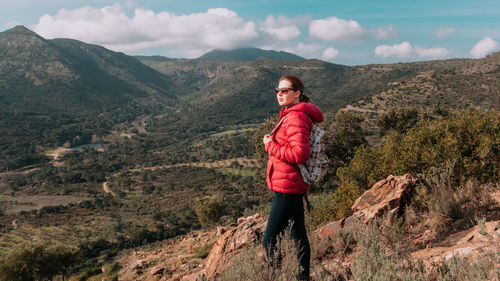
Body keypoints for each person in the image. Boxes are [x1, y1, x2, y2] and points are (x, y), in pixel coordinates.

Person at [262, 74, 324, 281]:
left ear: (297, 93)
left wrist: (270, 145)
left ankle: (276, 277)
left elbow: (300, 155)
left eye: (285, 90)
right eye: (277, 91)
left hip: (288, 187)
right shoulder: (290, 113)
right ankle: (303, 277)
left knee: (269, 239)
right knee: (298, 234)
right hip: (293, 184)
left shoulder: (296, 116)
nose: (280, 94)